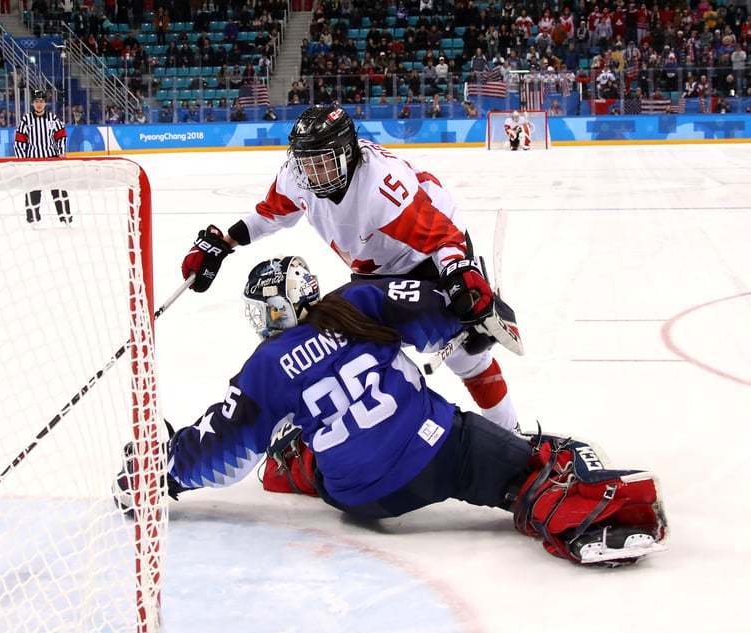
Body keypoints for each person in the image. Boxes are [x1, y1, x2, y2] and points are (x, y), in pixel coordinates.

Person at [118, 257, 668, 567]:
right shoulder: (356, 302)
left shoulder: (265, 366)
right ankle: (571, 509)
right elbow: (439, 313)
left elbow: (220, 450)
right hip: (437, 449)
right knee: (528, 471)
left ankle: (298, 470)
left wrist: (160, 472)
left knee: (297, 446)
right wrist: (475, 307)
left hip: (357, 497)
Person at [179, 104, 523, 430]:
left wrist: (462, 278)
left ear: (348, 153)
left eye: (322, 162)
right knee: (350, 347)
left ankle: (511, 433)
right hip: (372, 271)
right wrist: (225, 242)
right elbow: (270, 215)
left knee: (466, 355)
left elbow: (443, 237)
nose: (311, 173)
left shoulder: (382, 187)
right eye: (305, 163)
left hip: (423, 260)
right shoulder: (296, 177)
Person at [14, 88, 72, 225]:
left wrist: (61, 152)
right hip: (33, 161)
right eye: (36, 101)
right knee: (33, 189)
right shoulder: (26, 120)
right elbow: (19, 141)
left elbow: (61, 136)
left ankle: (65, 217)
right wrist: (22, 160)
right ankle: (33, 217)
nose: (39, 104)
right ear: (32, 103)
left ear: (45, 103)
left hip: (52, 159)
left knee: (58, 189)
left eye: (41, 101)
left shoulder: (53, 119)